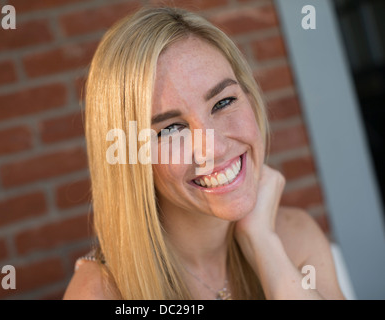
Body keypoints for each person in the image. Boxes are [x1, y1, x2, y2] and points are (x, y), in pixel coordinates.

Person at [63, 6, 345, 300]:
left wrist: (263, 244)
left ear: (249, 97)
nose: (215, 148)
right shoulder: (99, 294)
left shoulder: (293, 237)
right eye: (171, 129)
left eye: (223, 103)